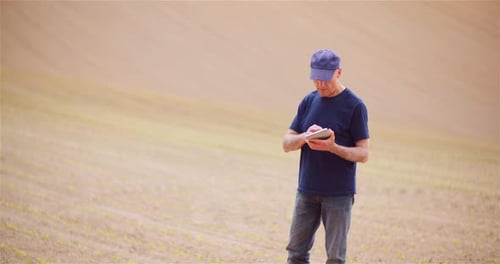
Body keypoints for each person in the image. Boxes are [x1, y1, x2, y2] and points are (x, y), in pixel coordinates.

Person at [282, 49, 370, 264]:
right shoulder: (308, 101)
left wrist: (333, 147)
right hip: (306, 191)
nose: (320, 85)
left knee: (335, 258)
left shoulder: (355, 106)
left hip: (338, 195)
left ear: (338, 72)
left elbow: (364, 154)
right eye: (316, 79)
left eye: (325, 79)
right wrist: (305, 136)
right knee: (296, 253)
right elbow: (286, 143)